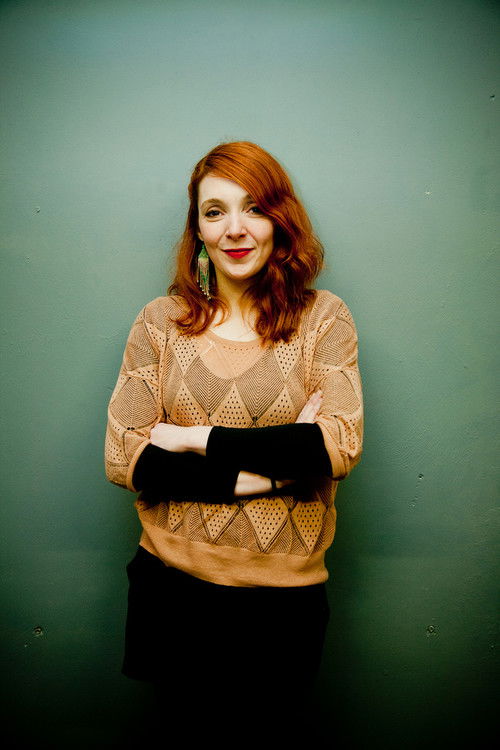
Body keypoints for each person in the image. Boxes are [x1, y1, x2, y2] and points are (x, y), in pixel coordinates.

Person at [105, 141, 363, 743]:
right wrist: (275, 470)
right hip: (171, 592)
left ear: (280, 219)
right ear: (197, 230)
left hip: (283, 606)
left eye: (254, 208)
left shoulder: (323, 319)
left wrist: (193, 438)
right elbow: (125, 456)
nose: (235, 229)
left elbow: (337, 447)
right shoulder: (160, 322)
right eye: (214, 212)